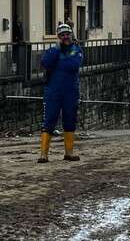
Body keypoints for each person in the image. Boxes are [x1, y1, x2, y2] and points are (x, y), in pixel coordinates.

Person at [38, 23, 83, 162]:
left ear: (71, 34)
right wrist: (58, 54)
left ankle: (69, 153)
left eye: (67, 34)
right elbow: (45, 62)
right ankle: (43, 155)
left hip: (70, 91)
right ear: (58, 37)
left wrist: (57, 62)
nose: (65, 37)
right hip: (53, 91)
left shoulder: (77, 50)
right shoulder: (53, 50)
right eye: (62, 35)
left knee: (70, 121)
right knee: (49, 121)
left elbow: (73, 64)